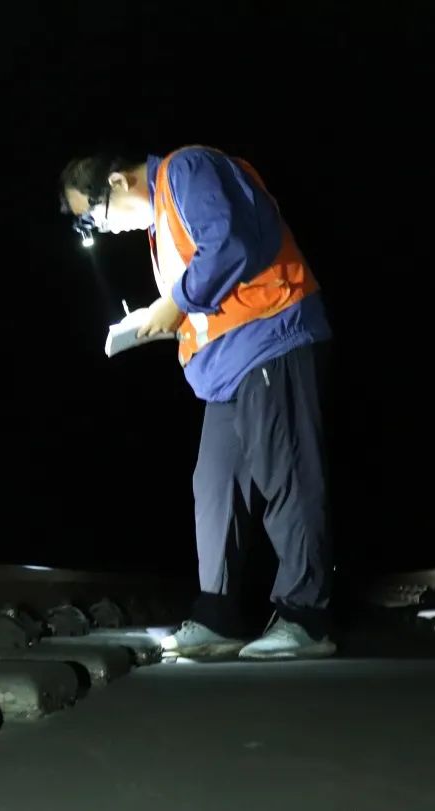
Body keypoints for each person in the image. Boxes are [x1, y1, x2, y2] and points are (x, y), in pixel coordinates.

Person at [60, 145, 336, 659]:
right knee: (214, 490)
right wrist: (152, 320)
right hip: (225, 371)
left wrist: (175, 303)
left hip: (271, 338)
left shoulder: (188, 170)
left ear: (118, 183)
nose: (101, 231)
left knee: (288, 475)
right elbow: (206, 293)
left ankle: (307, 617)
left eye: (94, 219)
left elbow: (231, 244)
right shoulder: (159, 226)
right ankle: (219, 616)